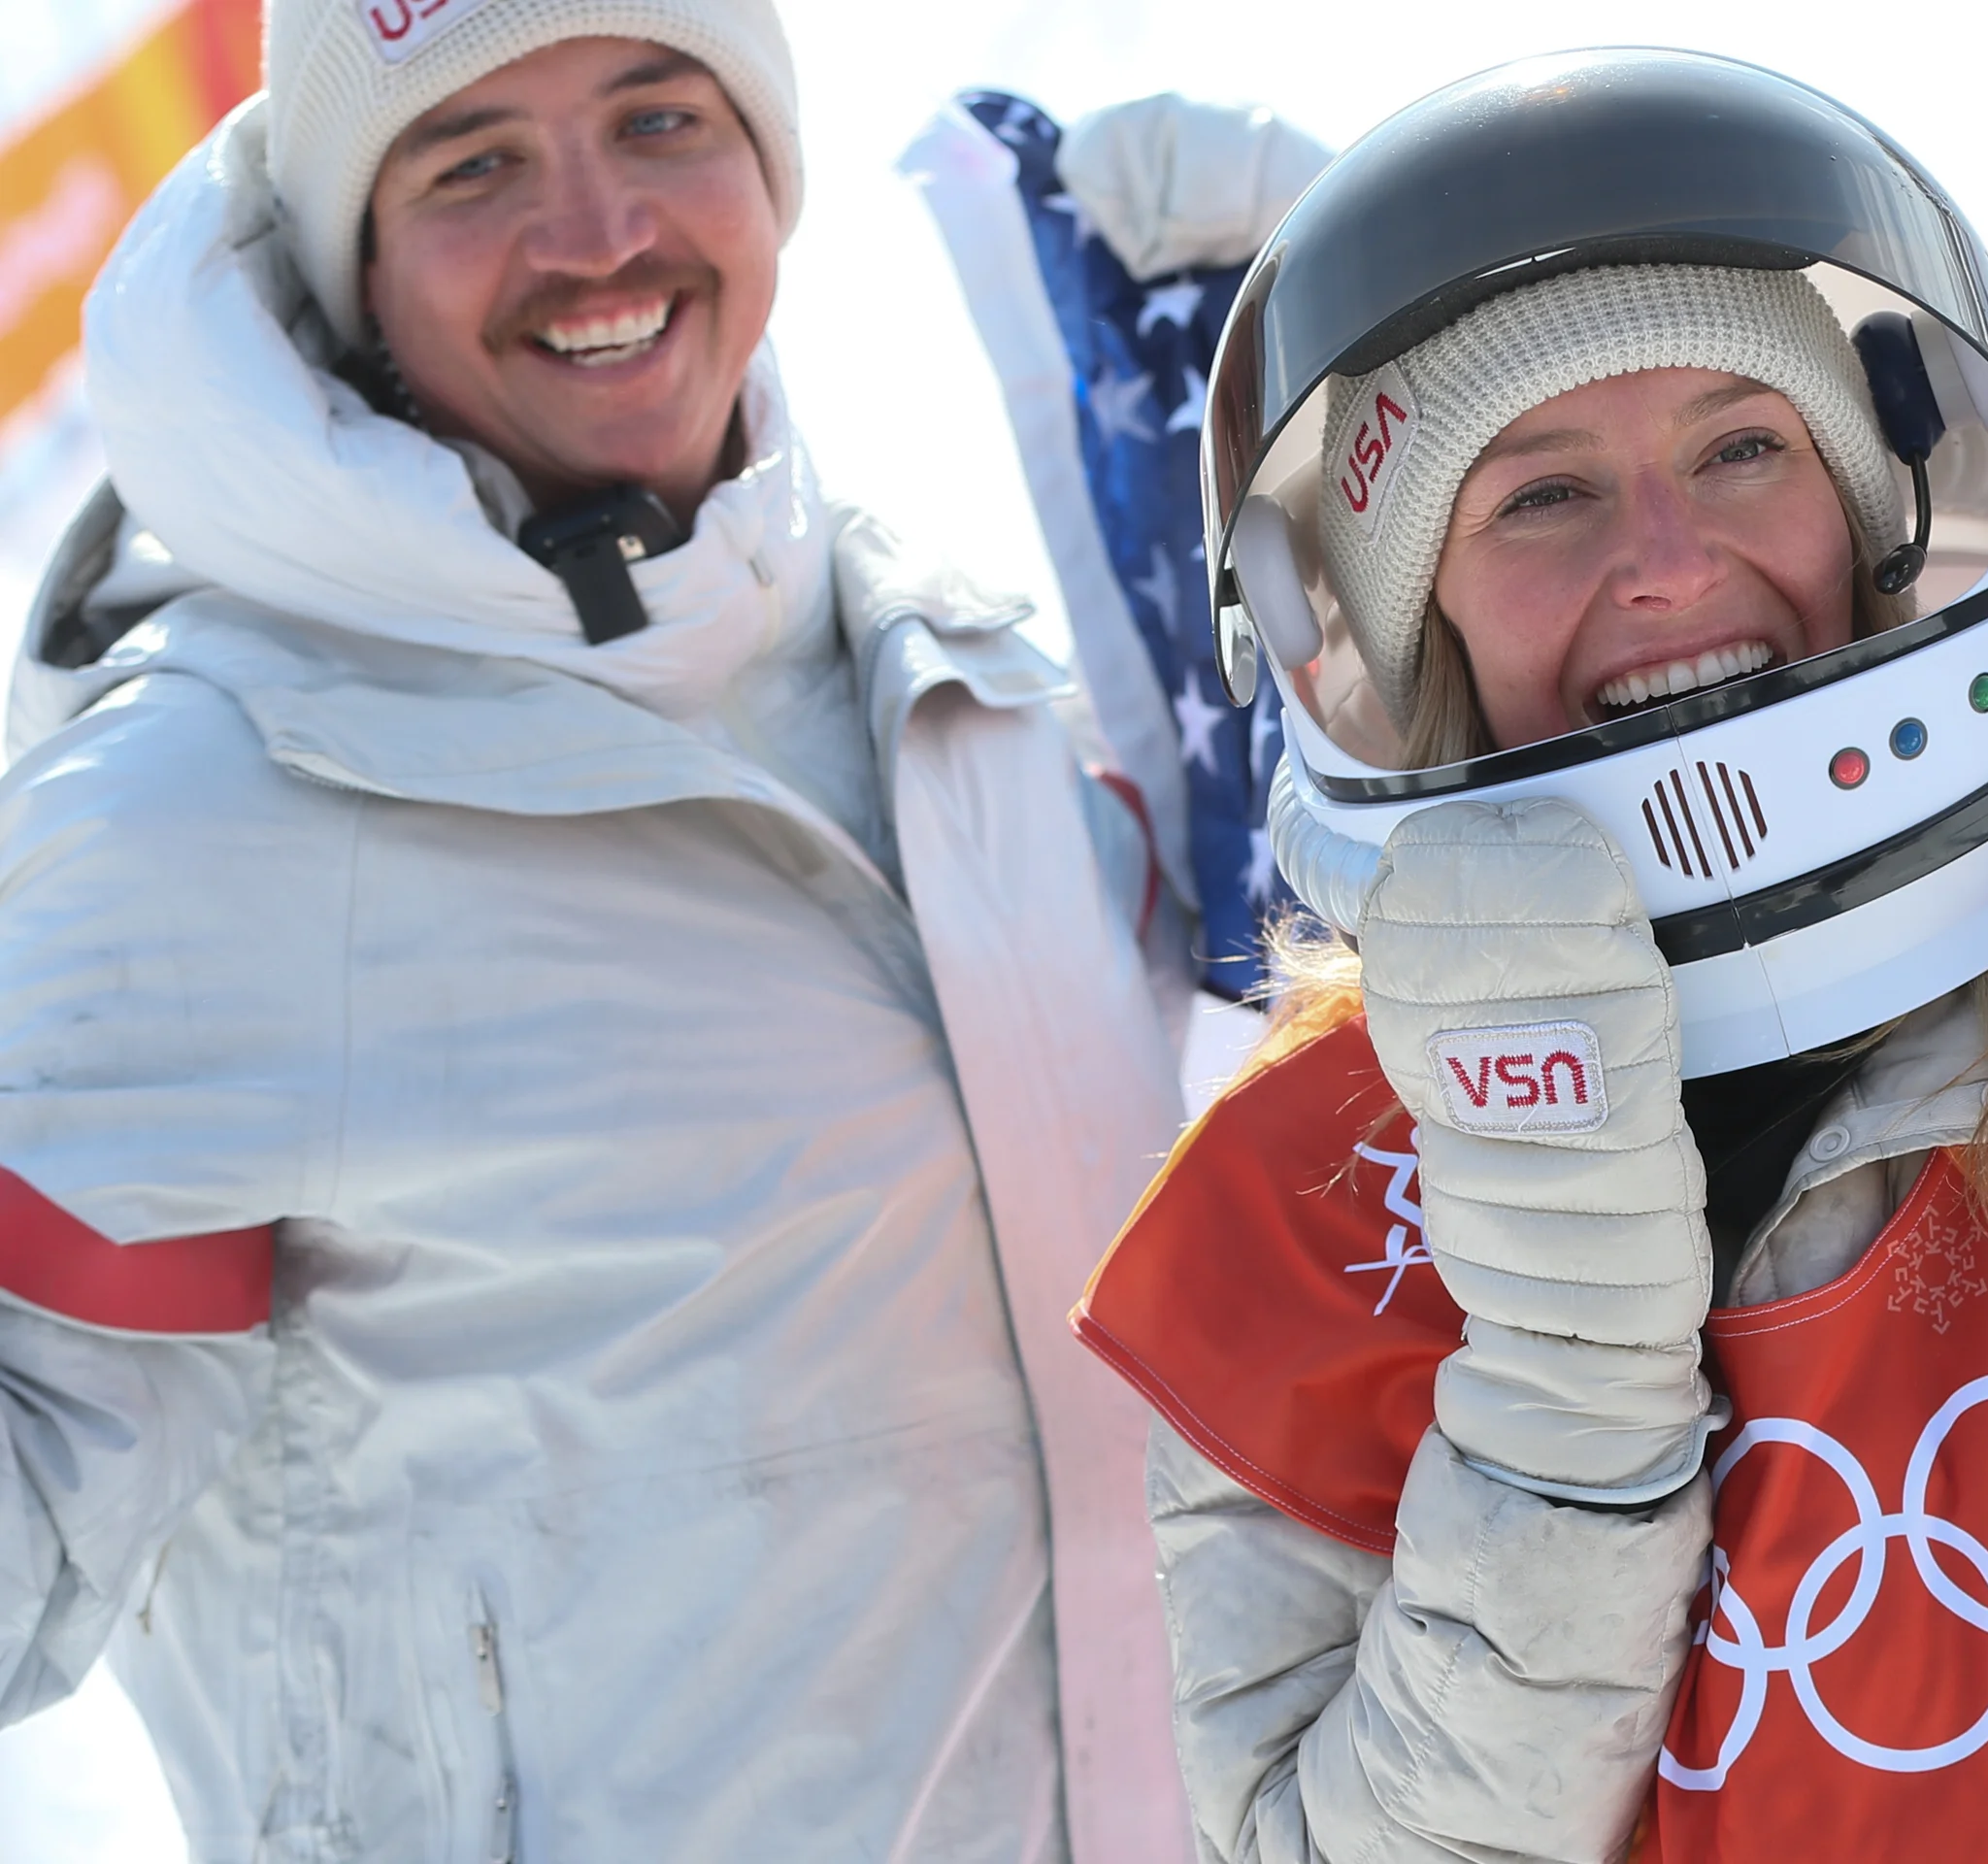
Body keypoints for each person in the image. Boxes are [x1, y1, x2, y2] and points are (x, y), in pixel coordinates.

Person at [1076, 49, 1988, 1864]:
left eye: (1742, 445)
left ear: (1886, 501)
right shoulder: (1295, 1207)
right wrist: (1560, 1388)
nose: (1669, 561)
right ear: (1389, 620)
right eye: (1539, 493)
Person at [0, 3, 1189, 1857]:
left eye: (658, 117)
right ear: (357, 262)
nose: (599, 231)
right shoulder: (204, 807)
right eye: (473, 160)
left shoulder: (977, 696)